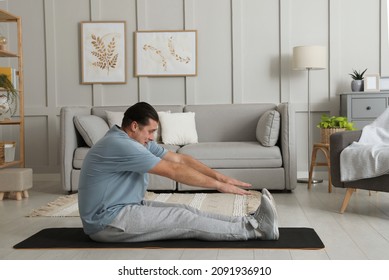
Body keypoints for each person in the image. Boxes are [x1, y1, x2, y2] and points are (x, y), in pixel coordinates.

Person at [78, 102, 279, 242]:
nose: (152, 137)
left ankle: (250, 221)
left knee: (187, 210)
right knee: (182, 219)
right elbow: (173, 170)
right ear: (134, 126)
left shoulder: (135, 141)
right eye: (150, 131)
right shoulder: (120, 145)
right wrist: (219, 186)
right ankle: (257, 231)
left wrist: (219, 176)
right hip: (107, 222)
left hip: (124, 208)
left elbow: (178, 158)